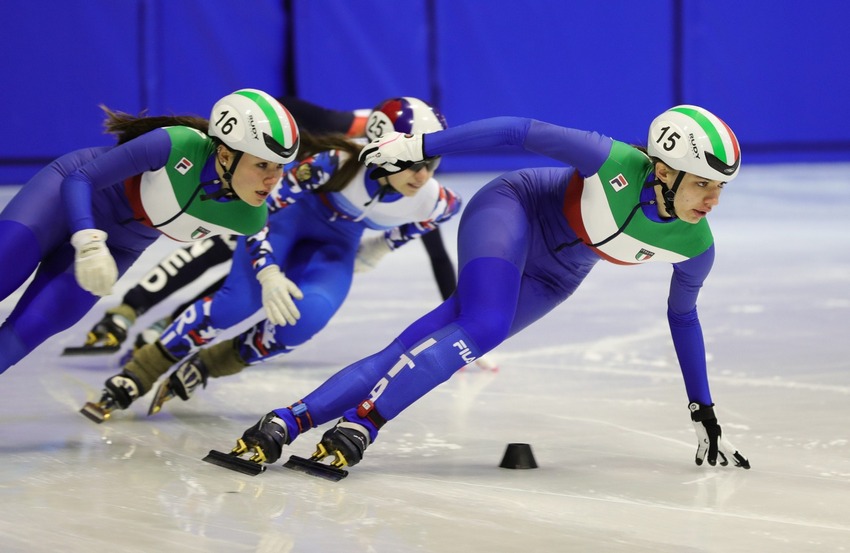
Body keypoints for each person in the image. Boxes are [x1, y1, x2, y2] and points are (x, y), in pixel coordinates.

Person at [223, 105, 751, 473]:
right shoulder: (610, 160)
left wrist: (702, 409)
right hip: (512, 209)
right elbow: (518, 130)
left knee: (434, 341)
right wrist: (420, 147)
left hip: (558, 273)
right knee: (485, 324)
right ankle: (365, 425)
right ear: (662, 170)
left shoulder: (696, 244)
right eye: (703, 183)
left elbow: (683, 317)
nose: (713, 200)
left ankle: (287, 420)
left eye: (721, 187)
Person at [81, 97, 466, 422]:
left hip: (336, 245)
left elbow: (445, 212)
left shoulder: (433, 198)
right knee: (234, 303)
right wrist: (267, 272)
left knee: (305, 319)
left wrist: (382, 247)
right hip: (286, 221)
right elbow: (258, 216)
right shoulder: (335, 162)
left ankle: (208, 364)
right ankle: (142, 369)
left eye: (431, 163)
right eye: (413, 162)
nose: (422, 174)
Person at [0, 89, 299, 375]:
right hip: (64, 200)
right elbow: (81, 179)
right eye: (262, 165)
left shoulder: (249, 215)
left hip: (120, 247)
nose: (273, 179)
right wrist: (87, 239)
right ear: (224, 155)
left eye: (281, 167)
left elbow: (259, 242)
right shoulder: (176, 145)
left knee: (29, 330)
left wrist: (268, 275)